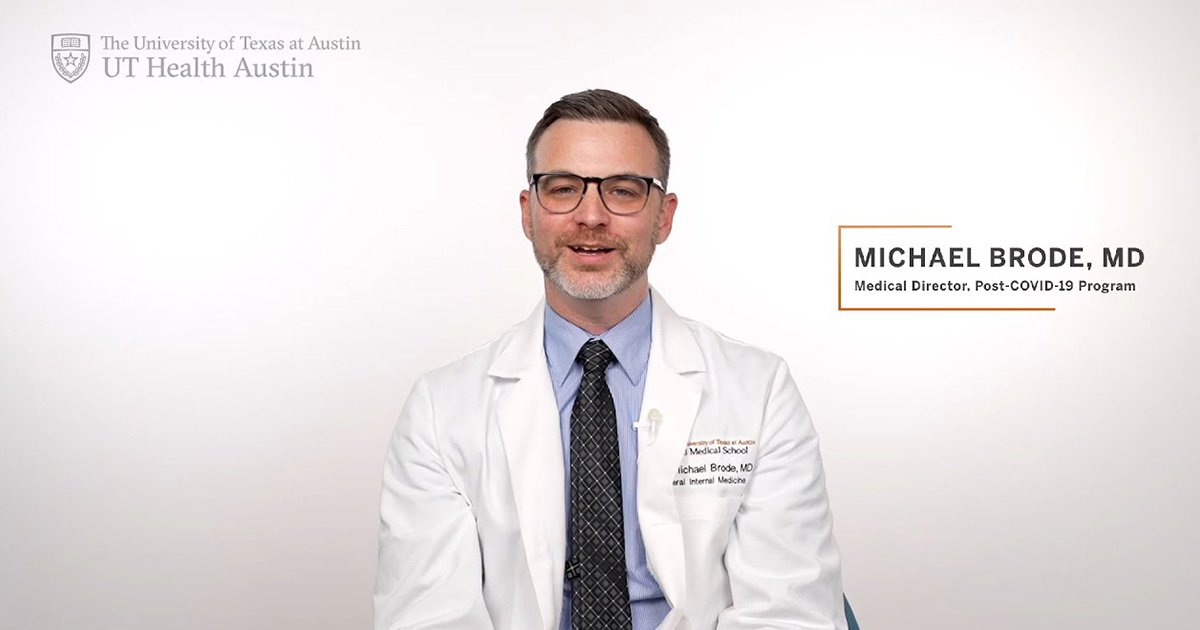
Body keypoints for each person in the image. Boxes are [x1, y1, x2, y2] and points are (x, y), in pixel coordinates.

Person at [375, 89, 846, 630]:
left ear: (663, 217)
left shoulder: (759, 392)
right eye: (563, 189)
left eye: (624, 191)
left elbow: (788, 614)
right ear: (529, 214)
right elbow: (430, 617)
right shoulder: (440, 409)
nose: (591, 216)